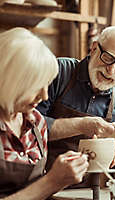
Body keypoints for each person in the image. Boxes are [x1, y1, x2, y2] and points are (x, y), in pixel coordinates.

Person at [37, 25, 115, 175]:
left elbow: (112, 155)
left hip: (90, 189)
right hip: (45, 182)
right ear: (93, 49)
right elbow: (28, 127)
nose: (111, 70)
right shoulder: (59, 72)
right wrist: (82, 125)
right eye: (108, 58)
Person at [0, 27, 89, 199]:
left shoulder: (36, 123)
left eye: (46, 85)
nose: (44, 96)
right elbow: (44, 186)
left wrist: (64, 176)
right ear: (9, 81)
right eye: (36, 87)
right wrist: (51, 181)